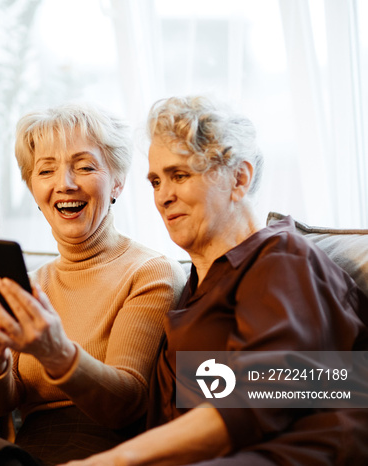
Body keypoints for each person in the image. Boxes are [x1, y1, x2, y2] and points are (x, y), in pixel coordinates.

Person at [64, 95, 368, 466]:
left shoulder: (281, 258)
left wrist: (118, 460)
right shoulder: (198, 284)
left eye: (180, 175)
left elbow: (255, 401)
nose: (163, 196)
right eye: (156, 181)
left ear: (239, 178)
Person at [0, 102, 186, 466]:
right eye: (46, 170)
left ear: (117, 182)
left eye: (85, 166)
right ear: (33, 189)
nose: (65, 184)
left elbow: (127, 403)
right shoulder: (30, 283)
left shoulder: (150, 272)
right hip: (28, 450)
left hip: (105, 450)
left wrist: (53, 350)